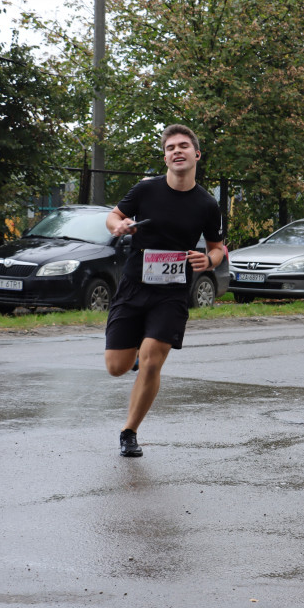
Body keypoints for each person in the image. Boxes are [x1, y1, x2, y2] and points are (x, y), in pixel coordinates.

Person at [104, 124, 226, 457]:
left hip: (172, 291)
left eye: (184, 146)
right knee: (116, 366)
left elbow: (218, 248)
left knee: (152, 361)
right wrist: (120, 227)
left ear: (196, 154)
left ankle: (129, 431)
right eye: (171, 147)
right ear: (165, 157)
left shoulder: (206, 203)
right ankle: (133, 356)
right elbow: (114, 216)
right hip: (134, 285)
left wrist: (208, 260)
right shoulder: (146, 191)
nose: (177, 151)